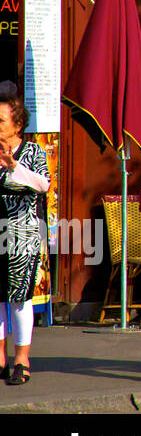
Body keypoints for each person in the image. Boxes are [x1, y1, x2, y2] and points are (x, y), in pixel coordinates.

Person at [0, 96, 49, 386]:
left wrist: (13, 166)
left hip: (21, 235)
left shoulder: (33, 151)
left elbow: (43, 184)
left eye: (1, 120)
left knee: (19, 297)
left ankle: (21, 358)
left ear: (18, 124)